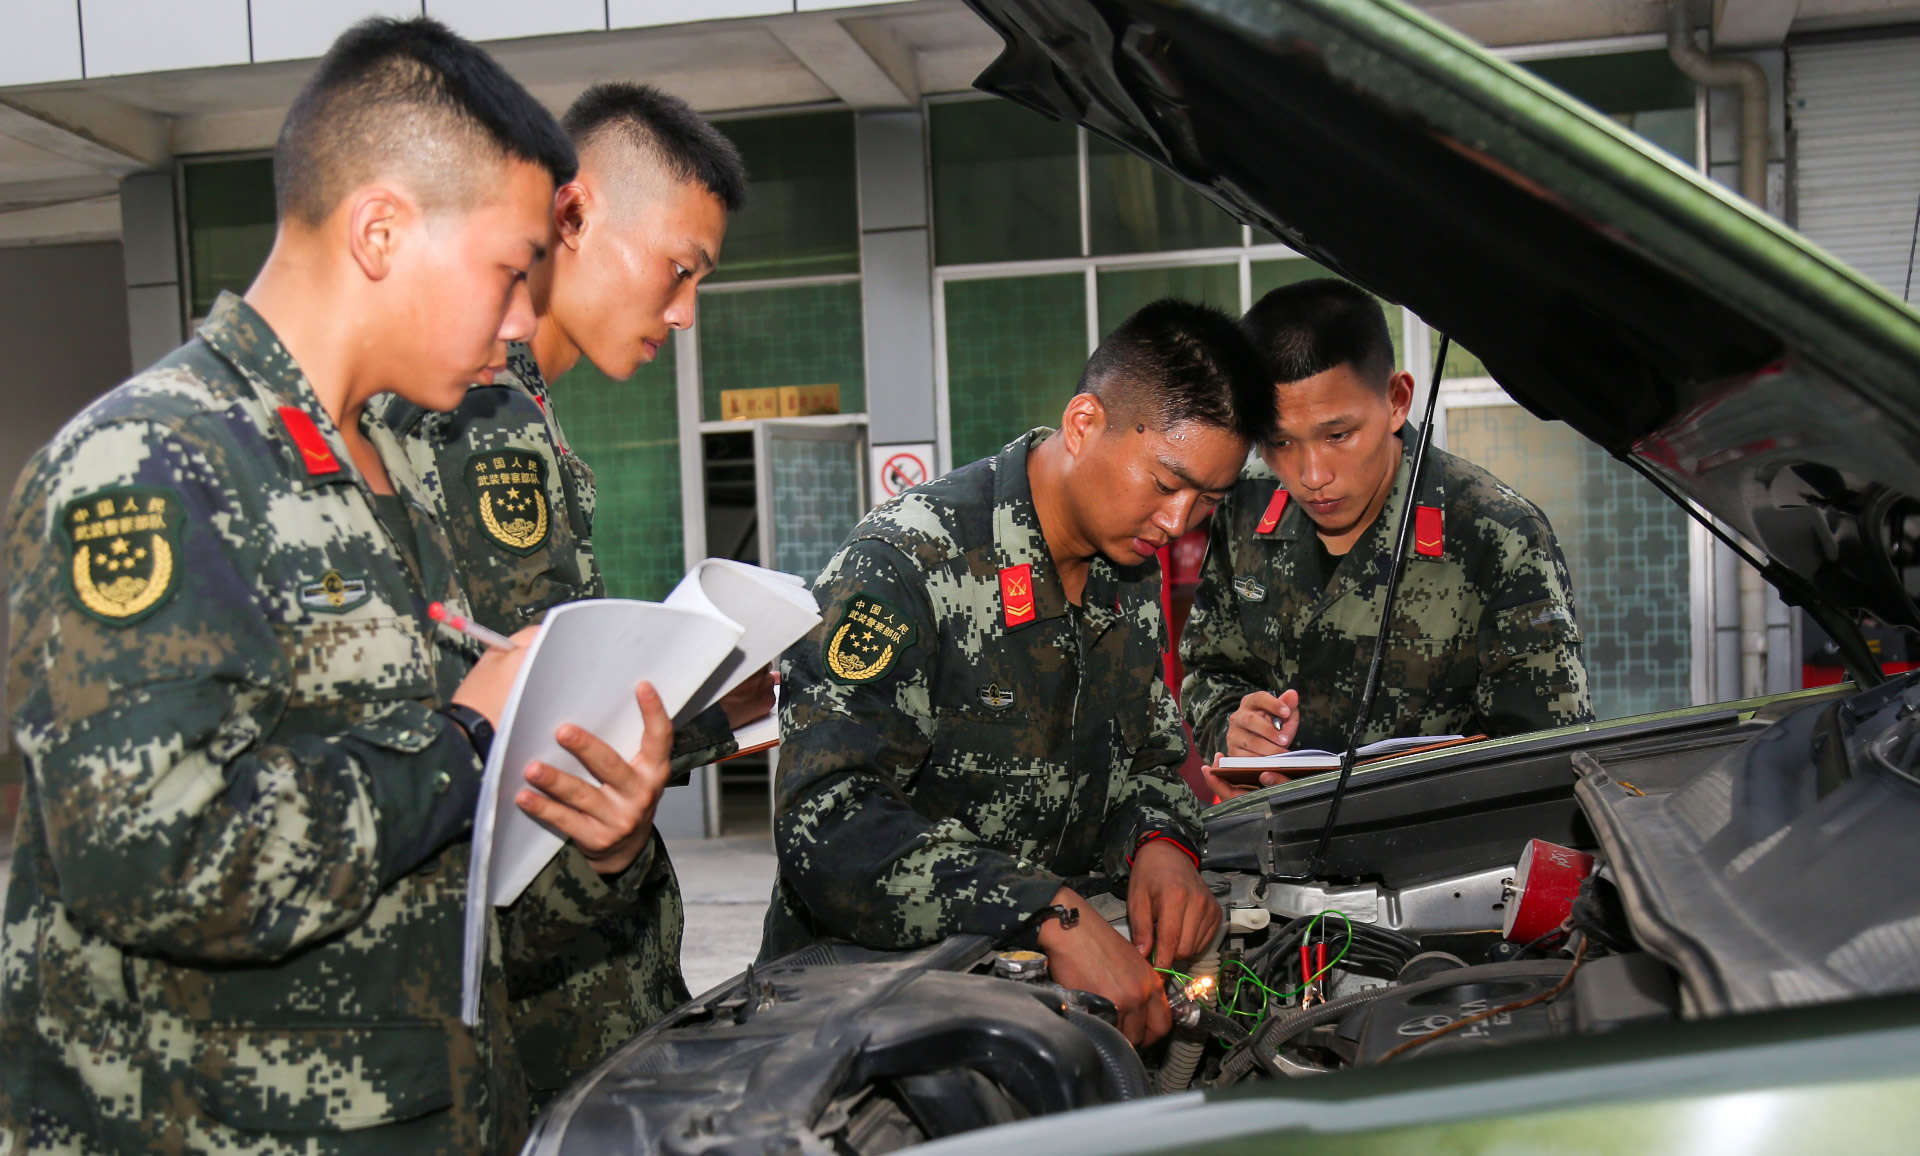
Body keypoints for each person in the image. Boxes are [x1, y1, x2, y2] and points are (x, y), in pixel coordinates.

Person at [0, 20, 671, 1153]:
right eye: (510, 271)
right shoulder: (154, 468)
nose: (520, 323)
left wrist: (596, 839)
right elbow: (150, 862)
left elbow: (443, 873)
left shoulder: (390, 473)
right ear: (379, 231)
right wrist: (463, 743)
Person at [376, 82, 765, 1093]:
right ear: (574, 214)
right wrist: (706, 723)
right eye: (680, 270)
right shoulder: (488, 414)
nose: (683, 313)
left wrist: (717, 713)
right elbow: (541, 745)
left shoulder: (520, 406)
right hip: (547, 992)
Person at [762, 300, 1274, 1047]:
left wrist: (1163, 845)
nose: (1178, 523)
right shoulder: (905, 564)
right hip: (865, 1019)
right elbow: (827, 823)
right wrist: (1047, 911)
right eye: (1167, 484)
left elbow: (1149, 760)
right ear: (1082, 423)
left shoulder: (1125, 571)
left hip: (1043, 1019)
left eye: (1207, 502)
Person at [1182, 280, 1592, 802]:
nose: (1311, 475)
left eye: (1338, 435)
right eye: (1279, 441)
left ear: (1397, 400)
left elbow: (1545, 755)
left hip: (1438, 861)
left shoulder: (1498, 536)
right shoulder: (1245, 507)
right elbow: (1211, 667)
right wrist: (1234, 729)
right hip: (1277, 843)